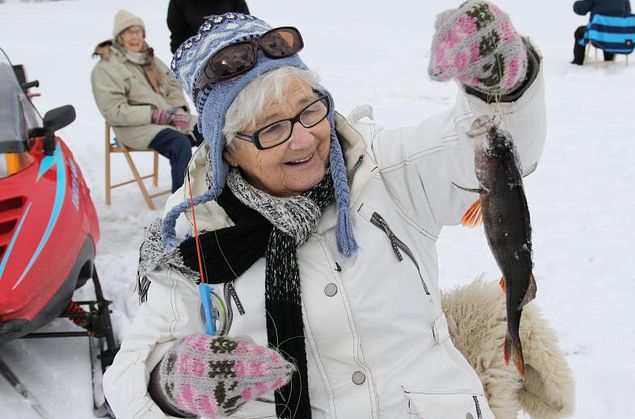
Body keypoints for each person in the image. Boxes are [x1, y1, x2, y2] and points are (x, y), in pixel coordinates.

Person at [103, 2, 574, 418]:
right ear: (227, 151)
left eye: (310, 109)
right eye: (272, 129)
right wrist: (169, 385)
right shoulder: (195, 236)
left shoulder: (380, 168)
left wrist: (501, 83)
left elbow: (494, 150)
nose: (306, 138)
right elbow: (129, 379)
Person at [92, 9, 201, 193]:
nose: (134, 37)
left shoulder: (151, 59)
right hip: (135, 127)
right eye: (128, 32)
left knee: (210, 131)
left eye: (138, 31)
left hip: (171, 118)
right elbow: (114, 112)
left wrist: (178, 109)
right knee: (179, 144)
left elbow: (173, 84)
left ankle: (217, 190)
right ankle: (181, 205)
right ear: (119, 37)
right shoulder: (107, 67)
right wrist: (155, 115)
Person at [167, 0, 251, 53]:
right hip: (199, 61)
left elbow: (247, 27)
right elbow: (178, 40)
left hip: (236, 54)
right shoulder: (178, 2)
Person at [571, 0, 632, 65]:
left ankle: (578, 61)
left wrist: (577, 4)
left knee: (579, 32)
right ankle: (609, 59)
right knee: (609, 30)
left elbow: (581, 10)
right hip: (617, 34)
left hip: (597, 33)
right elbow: (627, 12)